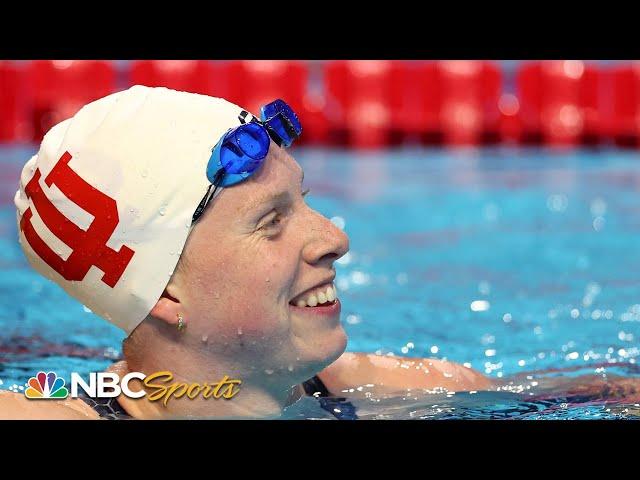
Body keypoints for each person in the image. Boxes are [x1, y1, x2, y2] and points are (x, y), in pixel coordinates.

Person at [0, 86, 635, 419]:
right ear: (164, 291)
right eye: (272, 221)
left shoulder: (370, 391)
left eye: (303, 199)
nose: (335, 238)